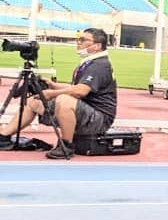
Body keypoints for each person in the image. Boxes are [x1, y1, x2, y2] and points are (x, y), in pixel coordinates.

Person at [0, 27, 116, 159]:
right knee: (34, 101)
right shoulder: (91, 62)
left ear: (97, 46)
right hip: (87, 112)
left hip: (99, 119)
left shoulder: (99, 65)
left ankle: (66, 145)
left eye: (83, 40)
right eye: (79, 39)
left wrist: (51, 93)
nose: (79, 42)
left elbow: (80, 91)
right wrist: (53, 85)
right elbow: (76, 87)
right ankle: (4, 136)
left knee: (64, 99)